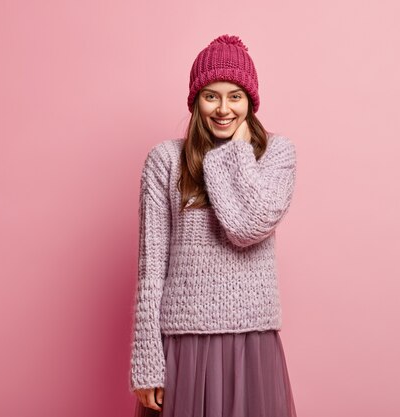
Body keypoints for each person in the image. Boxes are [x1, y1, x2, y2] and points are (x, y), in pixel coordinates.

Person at [129, 34, 298, 417]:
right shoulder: (164, 160)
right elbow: (151, 269)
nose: (223, 109)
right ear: (195, 101)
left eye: (235, 96)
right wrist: (146, 361)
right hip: (184, 344)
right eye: (211, 96)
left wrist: (233, 153)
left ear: (251, 102)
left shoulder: (277, 154)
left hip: (250, 343)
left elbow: (248, 226)